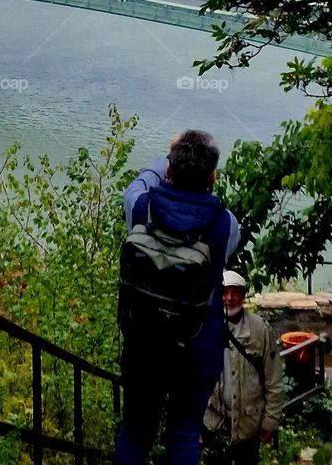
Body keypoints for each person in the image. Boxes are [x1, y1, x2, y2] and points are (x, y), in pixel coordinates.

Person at [115, 130, 241, 465]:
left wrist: (167, 157)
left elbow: (137, 184)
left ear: (169, 170)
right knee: (185, 433)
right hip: (197, 347)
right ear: (213, 176)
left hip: (144, 342)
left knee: (134, 431)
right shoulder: (225, 225)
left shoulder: (142, 208)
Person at [202, 271, 282, 464]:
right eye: (225, 292)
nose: (229, 298)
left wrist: (270, 421)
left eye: (235, 292)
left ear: (243, 295)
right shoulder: (206, 327)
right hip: (214, 421)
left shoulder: (260, 329)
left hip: (248, 423)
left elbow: (273, 379)